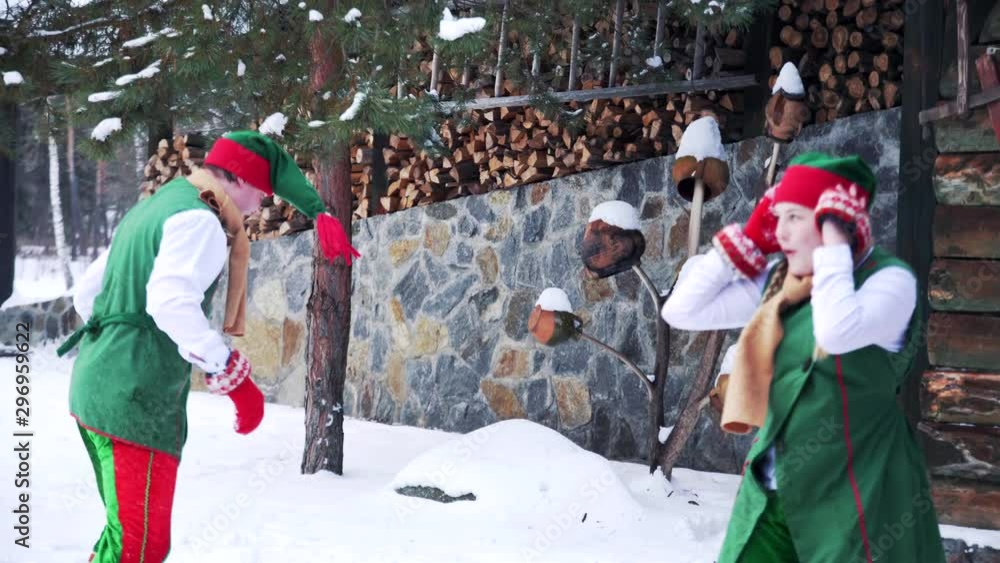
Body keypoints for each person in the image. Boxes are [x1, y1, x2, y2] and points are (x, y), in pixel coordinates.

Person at [57, 131, 360, 563]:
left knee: (123, 536)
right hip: (133, 400)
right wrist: (233, 375)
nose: (262, 203)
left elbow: (87, 295)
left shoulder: (156, 205)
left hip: (94, 388)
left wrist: (116, 344)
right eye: (261, 189)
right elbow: (170, 304)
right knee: (140, 548)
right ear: (238, 178)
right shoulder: (201, 221)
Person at [662, 152, 945, 563]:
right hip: (773, 497)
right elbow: (680, 311)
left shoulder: (889, 281)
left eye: (794, 217)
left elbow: (835, 330)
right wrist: (745, 243)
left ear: (836, 220)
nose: (781, 232)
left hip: (856, 499)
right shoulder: (783, 283)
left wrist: (834, 243)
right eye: (777, 217)